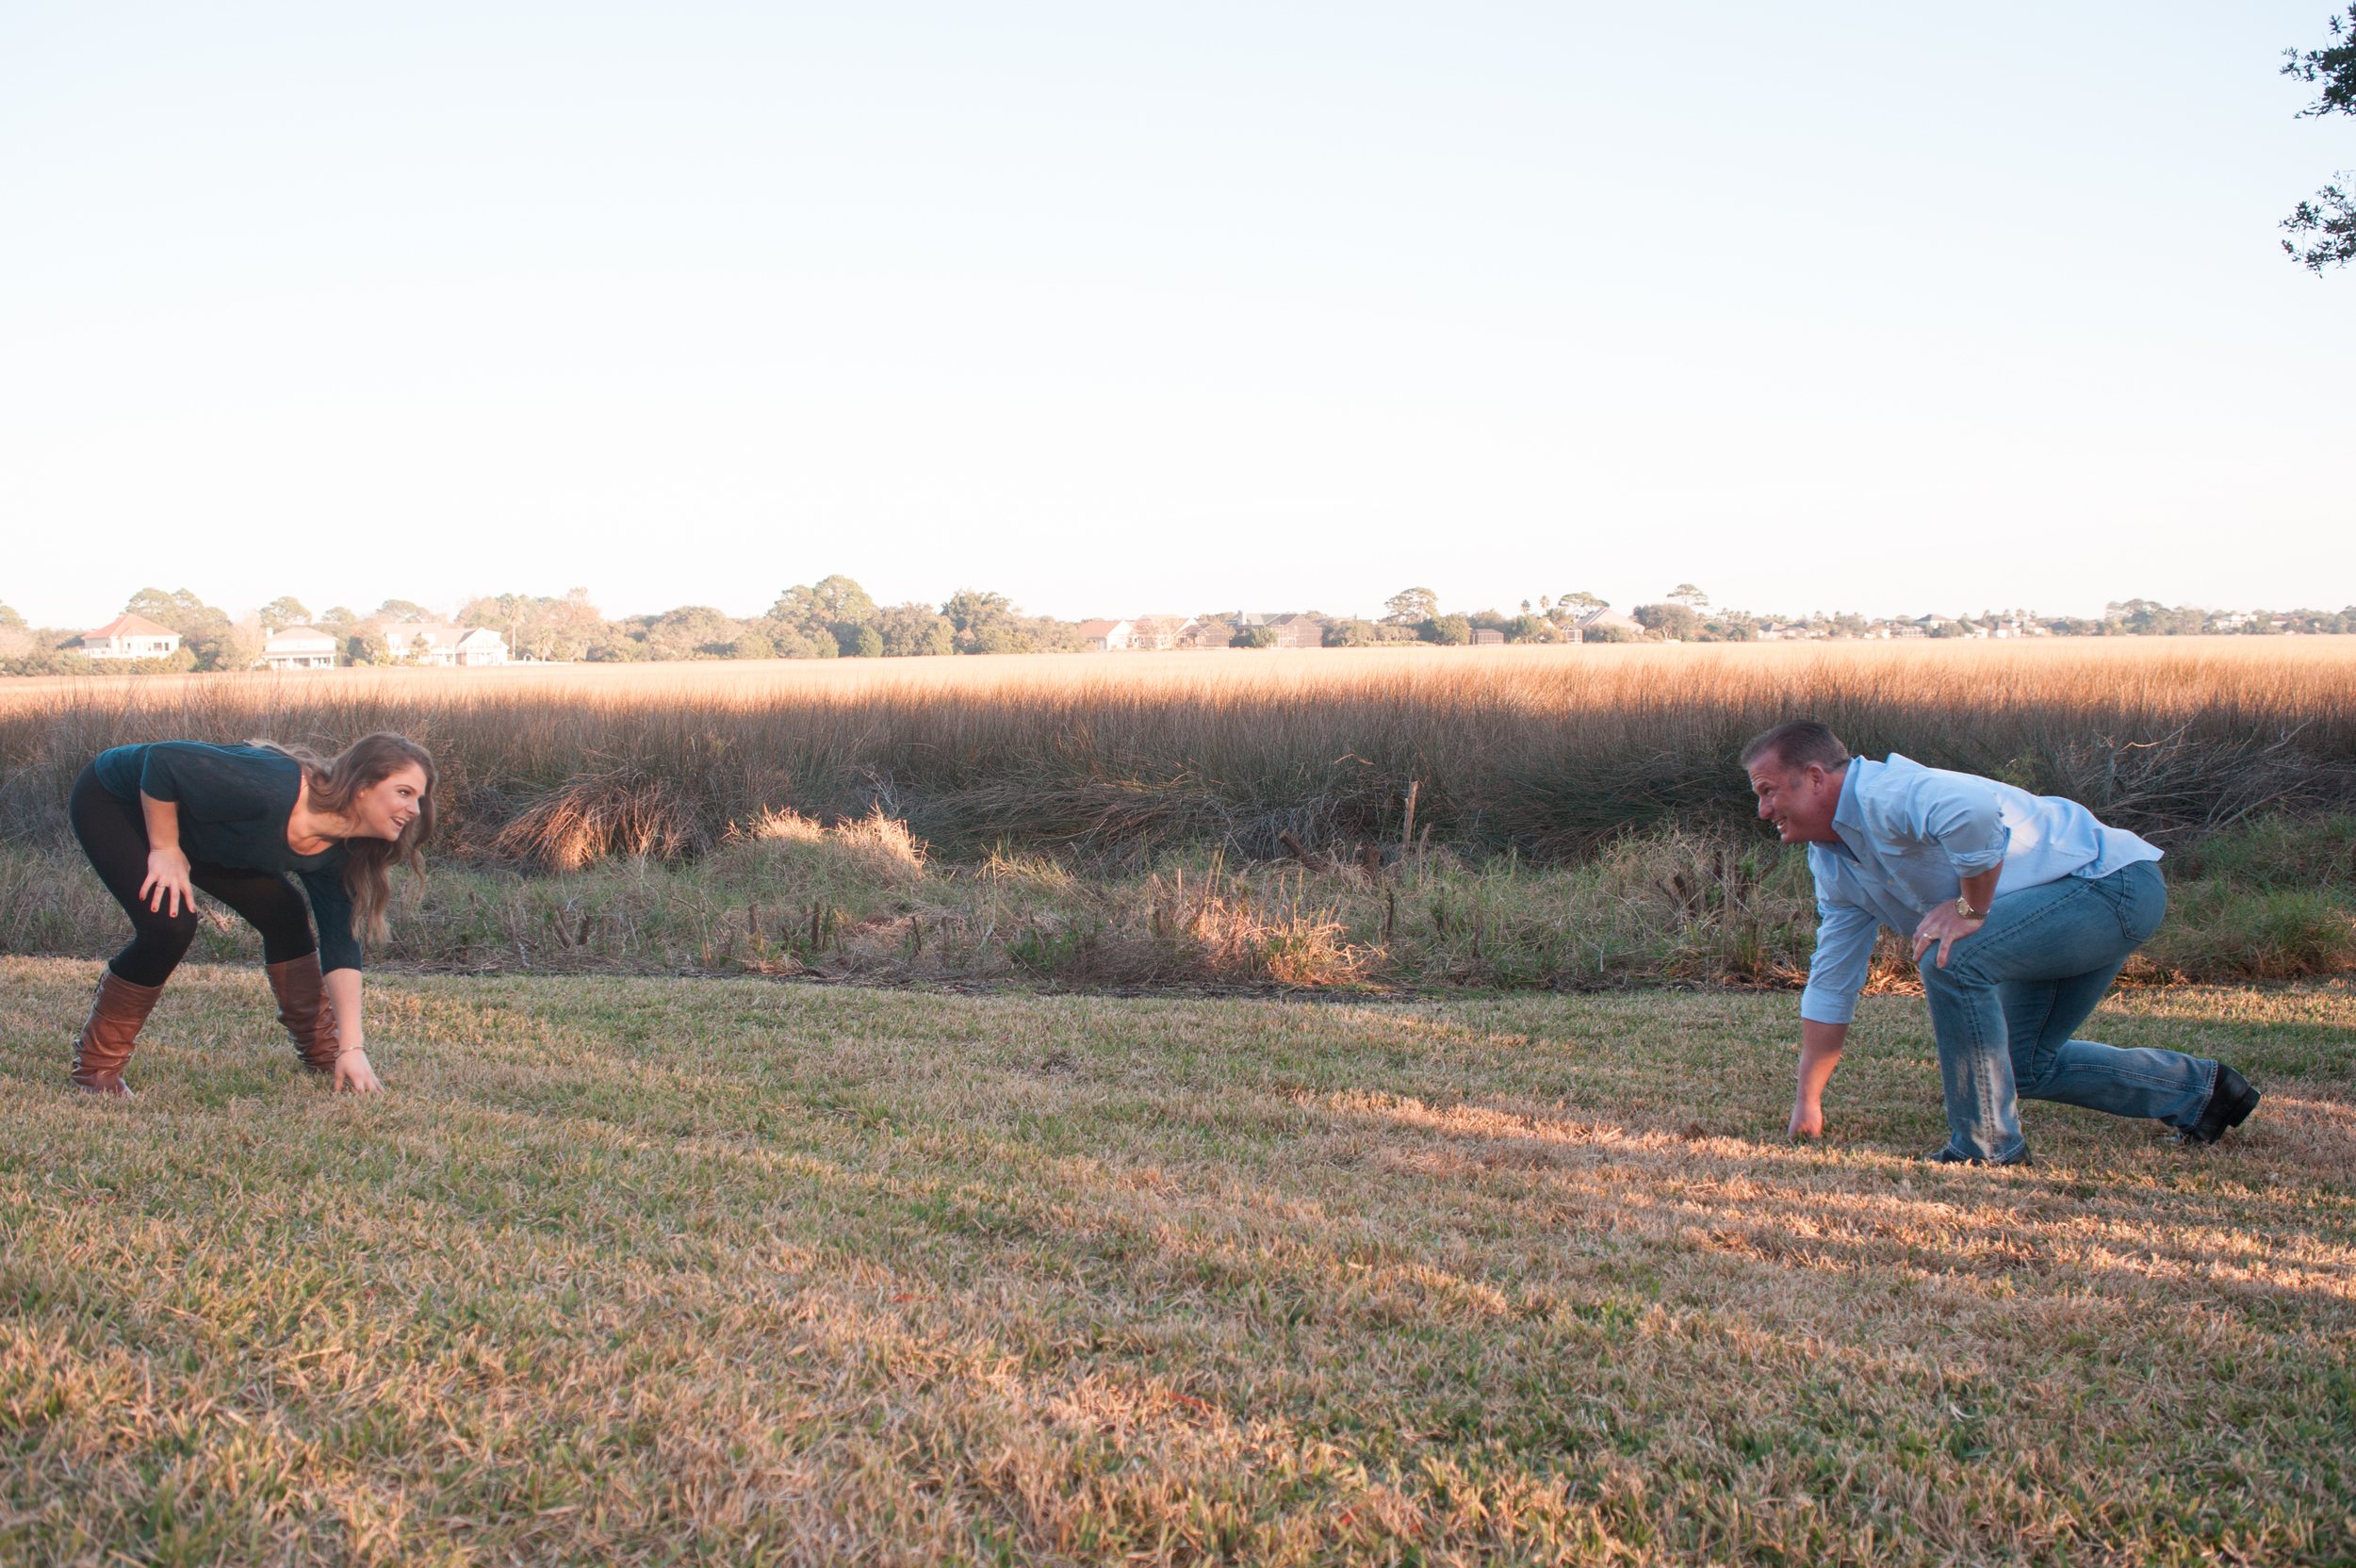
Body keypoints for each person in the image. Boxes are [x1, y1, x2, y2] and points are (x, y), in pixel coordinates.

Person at [1742, 720, 2259, 1165]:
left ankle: (1986, 1147)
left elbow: (1970, 810)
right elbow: (1834, 979)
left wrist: (1970, 907)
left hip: (2111, 886)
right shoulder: (1833, 863)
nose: (1763, 811)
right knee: (2019, 1063)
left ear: (1814, 778)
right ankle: (2201, 1092)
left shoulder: (1885, 792)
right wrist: (1807, 1100)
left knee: (1953, 954)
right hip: (2067, 905)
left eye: (1768, 791)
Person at [65, 733, 436, 1097]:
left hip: (199, 830)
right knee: (169, 926)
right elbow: (162, 761)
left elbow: (341, 944)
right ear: (362, 786)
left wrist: (351, 1048)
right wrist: (165, 847)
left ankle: (324, 1054)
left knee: (286, 914)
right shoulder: (273, 788)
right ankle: (96, 1071)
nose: (415, 810)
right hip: (117, 799)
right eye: (404, 792)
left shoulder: (341, 854)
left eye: (418, 798)